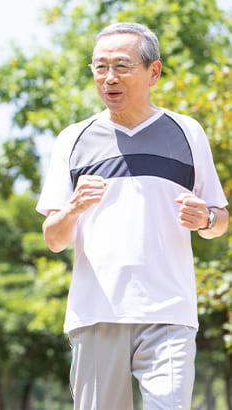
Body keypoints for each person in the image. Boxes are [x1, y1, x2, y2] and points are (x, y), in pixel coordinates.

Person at [36, 22, 229, 409]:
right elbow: (54, 239)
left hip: (170, 312)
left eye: (121, 66)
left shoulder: (187, 132)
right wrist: (73, 207)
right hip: (96, 313)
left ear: (153, 72)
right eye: (99, 67)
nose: (109, 78)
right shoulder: (73, 139)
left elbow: (220, 220)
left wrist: (205, 220)